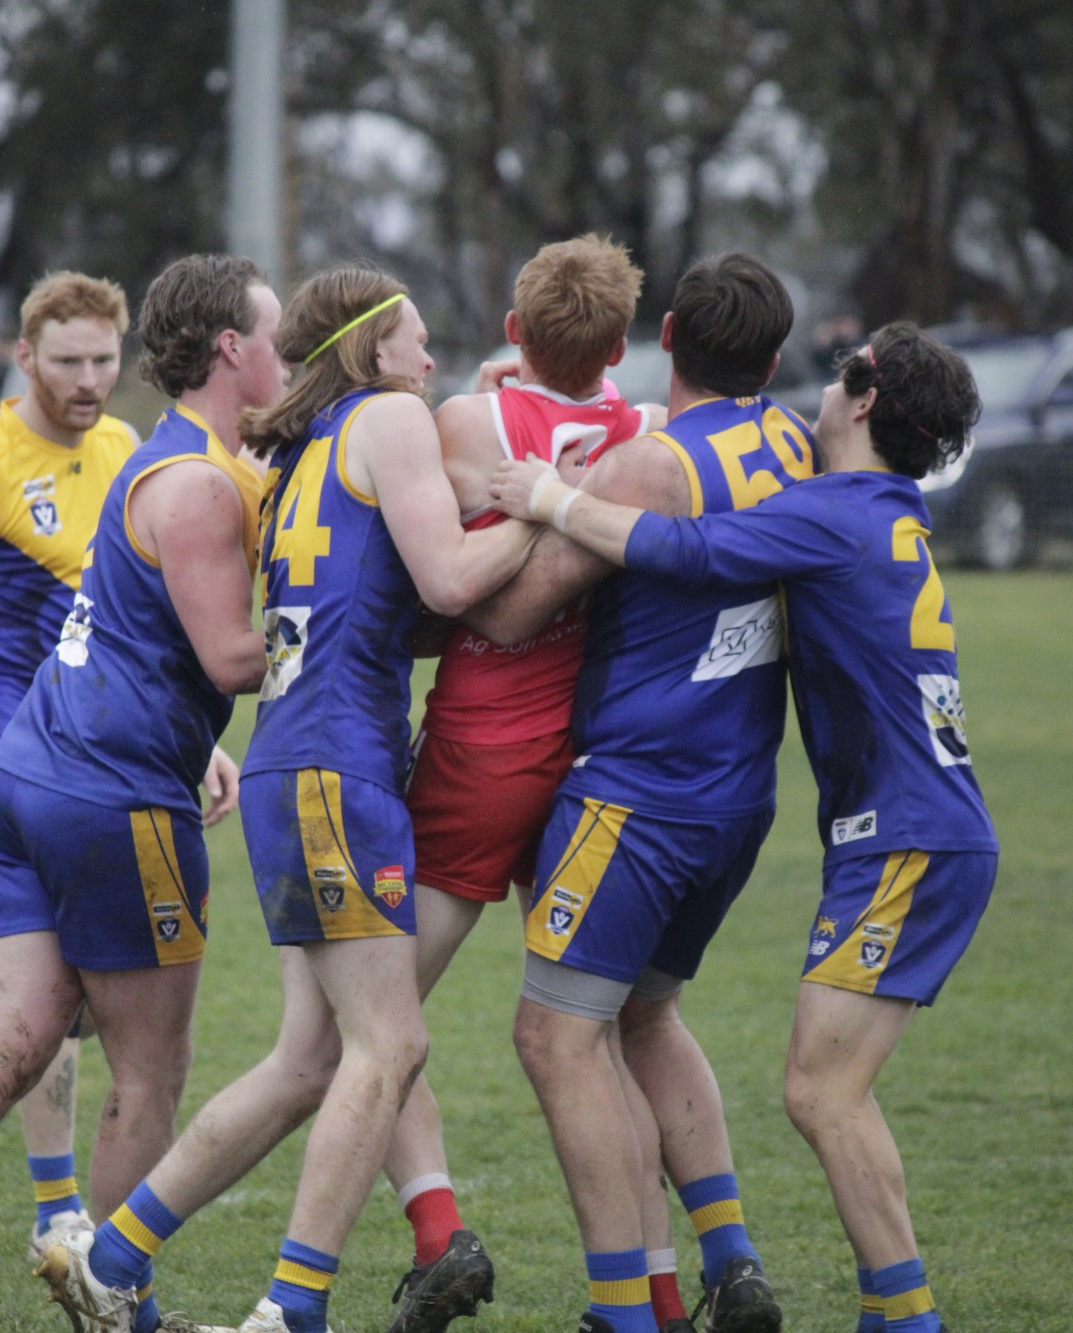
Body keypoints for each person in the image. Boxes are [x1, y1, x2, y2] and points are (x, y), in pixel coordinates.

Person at [486, 320, 997, 1333]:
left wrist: (548, 496)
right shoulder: (860, 502)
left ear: (859, 399)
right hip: (911, 829)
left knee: (821, 1092)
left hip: (905, 837)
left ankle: (904, 1320)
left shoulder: (831, 513)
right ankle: (881, 1311)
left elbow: (682, 544)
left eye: (840, 375)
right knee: (808, 1081)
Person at [52, 268, 538, 1333]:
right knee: (386, 1048)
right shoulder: (389, 418)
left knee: (310, 1060)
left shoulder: (305, 444)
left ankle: (118, 1254)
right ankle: (291, 1307)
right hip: (331, 772)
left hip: (298, 765)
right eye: (414, 336)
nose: (428, 356)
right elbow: (452, 582)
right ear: (371, 347)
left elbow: (392, 604)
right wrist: (559, 511)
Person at [0, 255, 279, 1333]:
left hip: (35, 771)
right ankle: (119, 1302)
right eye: (274, 340)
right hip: (108, 796)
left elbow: (135, 629)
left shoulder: (143, 452)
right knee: (148, 1072)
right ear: (229, 351)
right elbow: (227, 659)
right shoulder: (194, 478)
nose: (288, 359)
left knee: (7, 1043)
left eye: (100, 357)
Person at [461, 253, 815, 1333]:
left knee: (554, 1037)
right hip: (738, 793)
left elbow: (513, 615)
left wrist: (520, 500)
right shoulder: (791, 441)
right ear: (769, 355)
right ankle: (731, 1260)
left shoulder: (648, 469)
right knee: (648, 1015)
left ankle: (622, 1310)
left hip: (635, 799)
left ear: (667, 332)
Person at [380, 233, 663, 1333]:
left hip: (482, 752)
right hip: (598, 758)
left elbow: (459, 588)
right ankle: (666, 1292)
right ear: (620, 344)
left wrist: (523, 476)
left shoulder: (467, 423)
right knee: (604, 1044)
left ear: (512, 332)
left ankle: (436, 1232)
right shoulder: (648, 442)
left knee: (373, 1023)